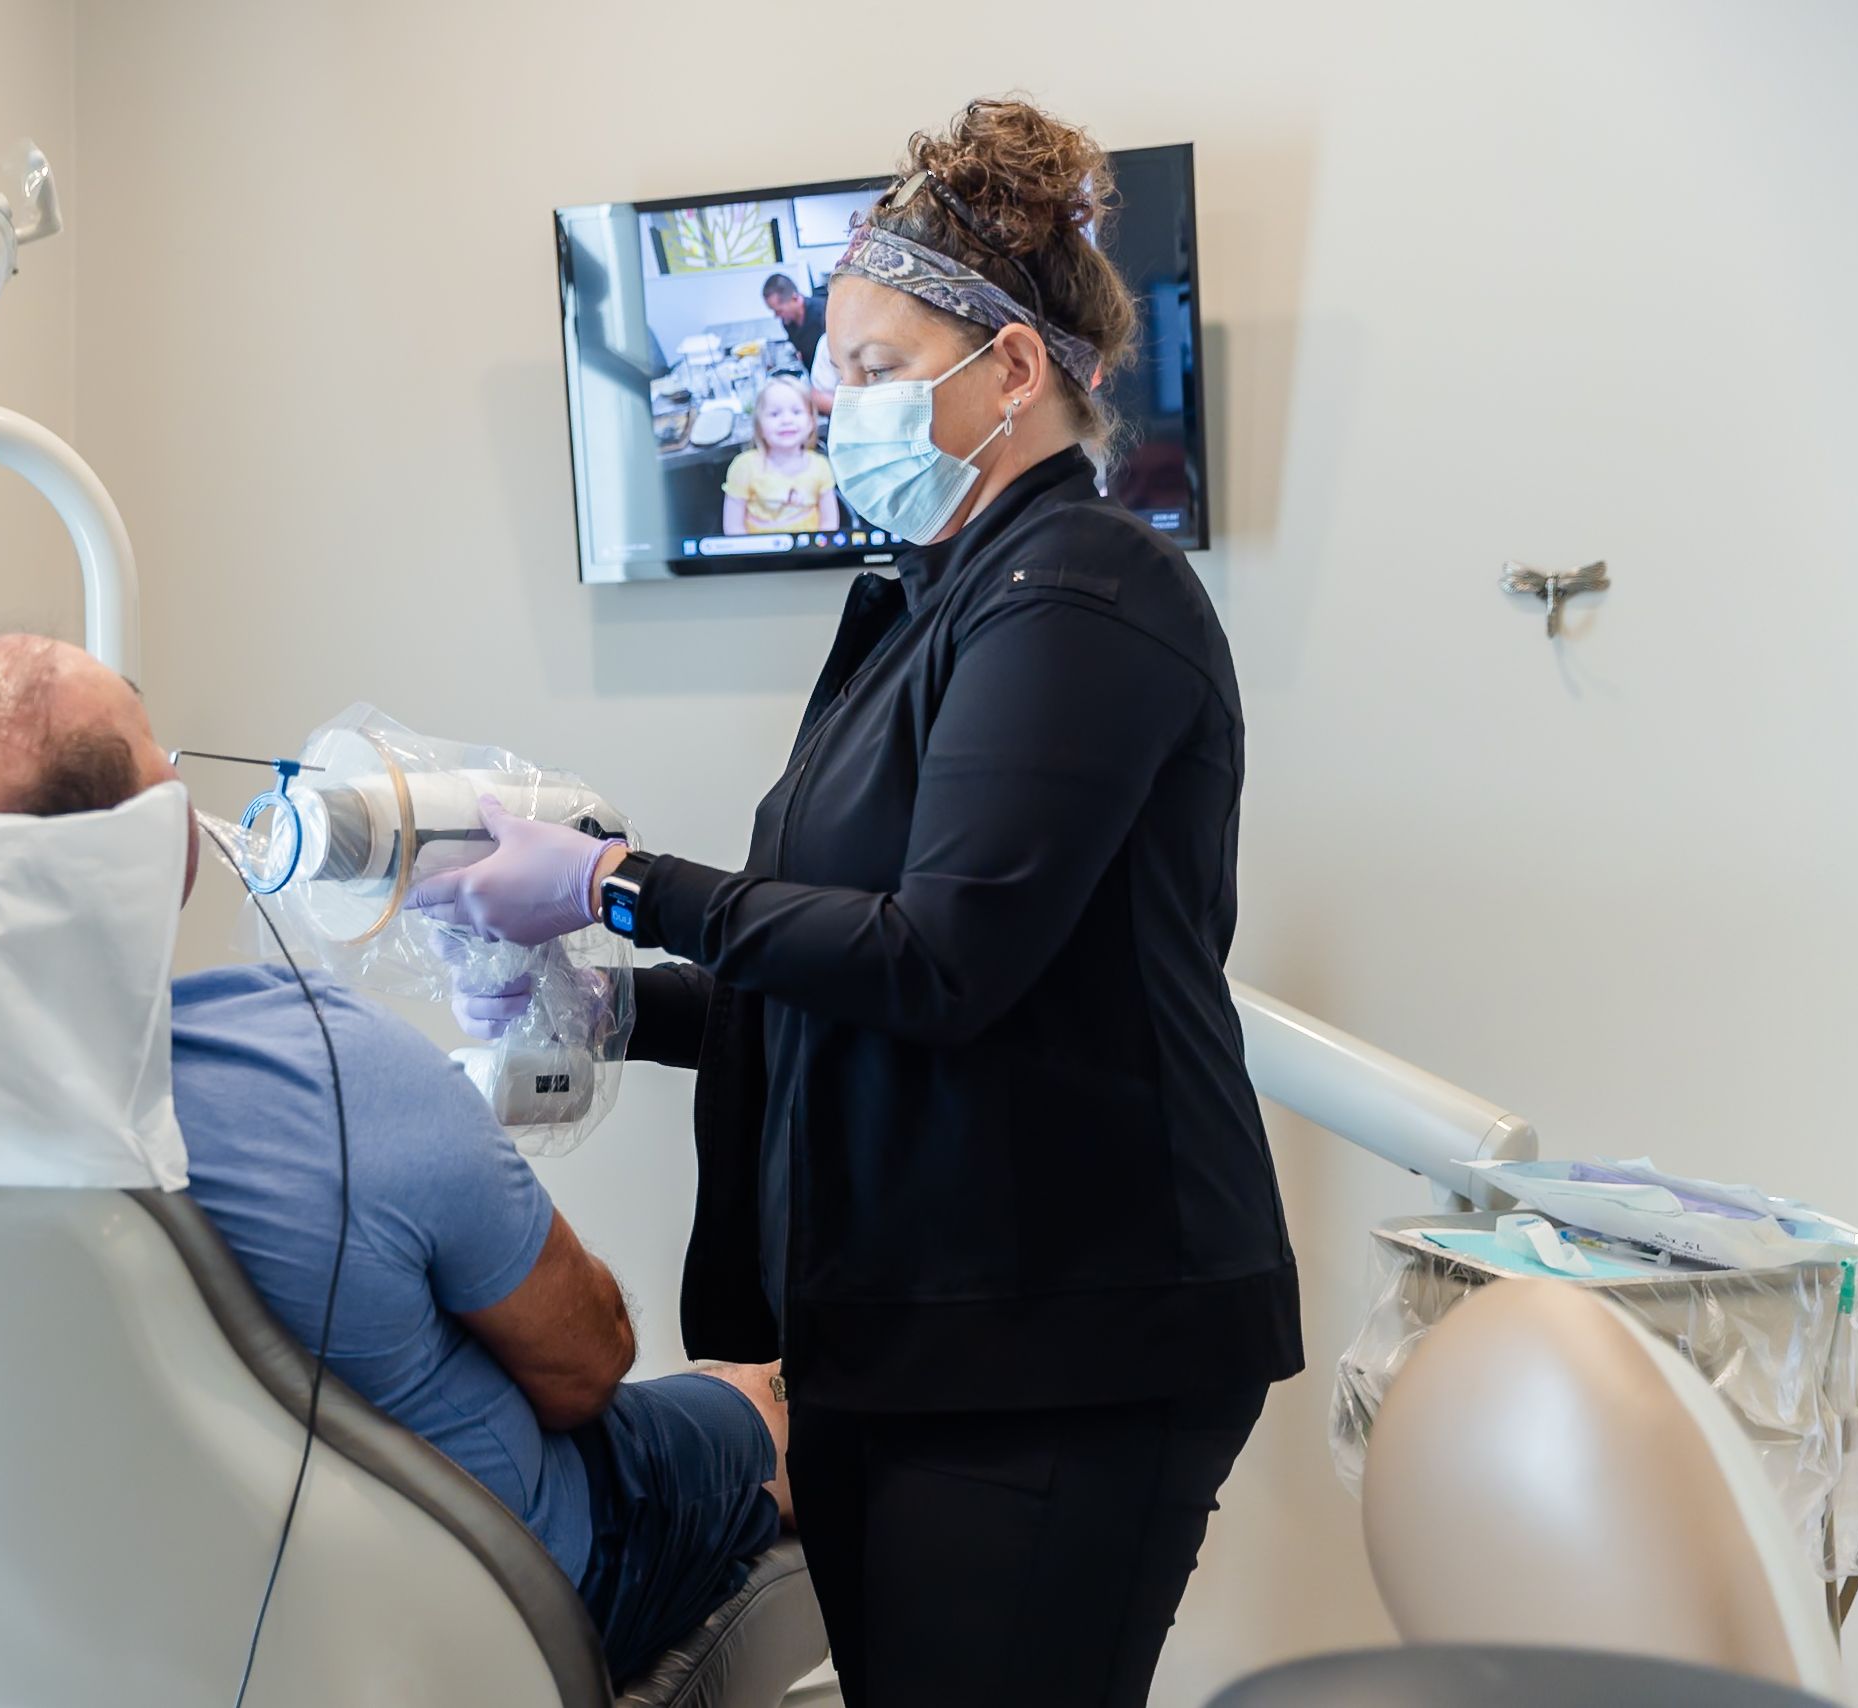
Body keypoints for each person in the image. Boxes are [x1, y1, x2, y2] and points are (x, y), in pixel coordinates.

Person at [410, 99, 1301, 1705]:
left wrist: (615, 886)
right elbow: (835, 966)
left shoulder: (1091, 588)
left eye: (879, 370)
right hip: (903, 1326)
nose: (836, 405)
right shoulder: (923, 604)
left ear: (1014, 371)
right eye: (841, 369)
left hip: (1060, 1337)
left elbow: (942, 959)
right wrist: (617, 1005)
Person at [0, 634, 792, 1681]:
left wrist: (608, 1010)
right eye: (161, 753)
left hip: (55, 1630)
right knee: (759, 1406)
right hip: (446, 1621)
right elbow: (586, 1365)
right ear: (165, 847)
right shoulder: (326, 1066)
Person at [720, 377, 839, 536]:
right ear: (759, 426)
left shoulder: (821, 466)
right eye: (774, 414)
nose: (786, 420)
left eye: (797, 412)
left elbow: (829, 524)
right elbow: (733, 528)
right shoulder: (743, 467)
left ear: (811, 422)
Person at [761, 272, 827, 371]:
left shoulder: (824, 312)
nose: (776, 316)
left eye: (779, 310)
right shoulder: (787, 322)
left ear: (794, 298)